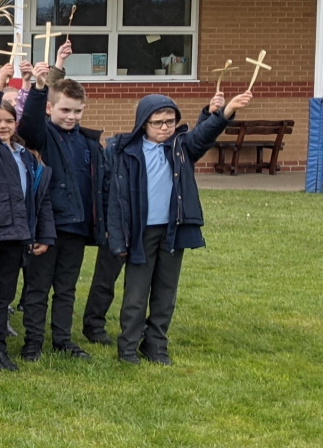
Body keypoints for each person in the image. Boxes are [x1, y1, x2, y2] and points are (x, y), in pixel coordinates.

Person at [104, 88, 250, 365]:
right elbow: (116, 200)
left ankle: (156, 344)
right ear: (143, 123)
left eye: (170, 121)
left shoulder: (182, 147)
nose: (165, 128)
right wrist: (117, 239)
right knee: (136, 293)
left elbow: (203, 135)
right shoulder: (124, 152)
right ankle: (128, 348)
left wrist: (224, 112)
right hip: (139, 233)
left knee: (165, 292)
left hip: (172, 230)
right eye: (157, 122)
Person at [16, 43, 105, 361]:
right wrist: (40, 88)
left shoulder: (88, 143)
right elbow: (27, 126)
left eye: (77, 111)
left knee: (66, 287)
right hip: (46, 227)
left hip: (77, 226)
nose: (71, 116)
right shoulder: (42, 136)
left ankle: (63, 339)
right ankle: (33, 341)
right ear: (50, 109)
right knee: (38, 287)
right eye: (65, 110)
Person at [0, 63, 54, 371]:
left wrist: (38, 233)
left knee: (3, 294)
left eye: (8, 121)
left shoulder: (25, 156)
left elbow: (35, 199)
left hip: (15, 234)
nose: (1, 126)